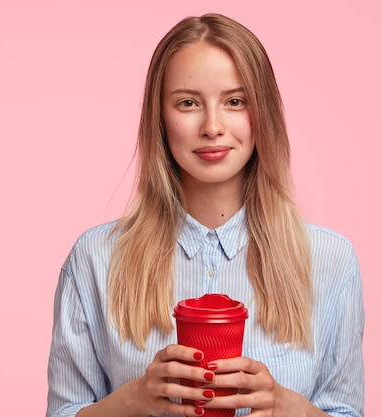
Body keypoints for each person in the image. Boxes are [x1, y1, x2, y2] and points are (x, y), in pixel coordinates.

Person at [45, 12, 364, 417]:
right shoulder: (94, 259)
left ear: (261, 113)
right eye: (188, 103)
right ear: (160, 118)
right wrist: (136, 398)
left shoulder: (331, 260)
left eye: (235, 101)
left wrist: (288, 406)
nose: (213, 126)